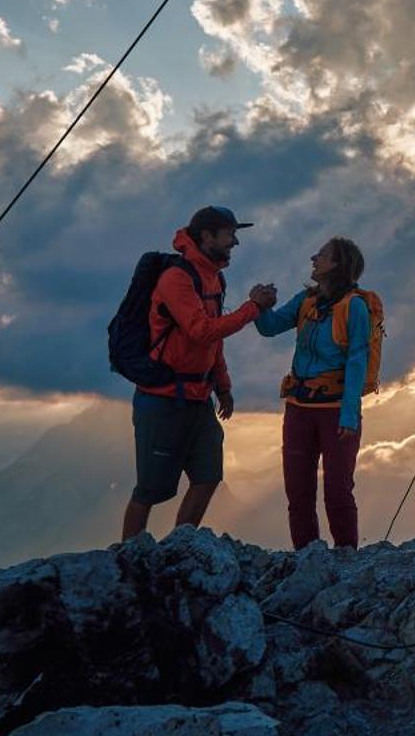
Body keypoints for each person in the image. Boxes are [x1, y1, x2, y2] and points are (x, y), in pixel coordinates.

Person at [121, 206, 278, 541]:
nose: (235, 242)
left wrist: (223, 387)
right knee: (149, 489)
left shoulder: (213, 277)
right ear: (207, 236)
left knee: (207, 476)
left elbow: (213, 339)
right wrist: (253, 308)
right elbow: (201, 331)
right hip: (162, 399)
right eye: (229, 235)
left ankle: (181, 547)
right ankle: (127, 559)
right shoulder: (177, 278)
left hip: (198, 398)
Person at [255, 236, 370, 549]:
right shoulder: (305, 301)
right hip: (299, 407)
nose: (313, 258)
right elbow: (269, 327)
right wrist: (260, 307)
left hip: (335, 410)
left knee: (337, 490)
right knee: (298, 492)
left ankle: (346, 558)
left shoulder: (355, 307)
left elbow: (358, 361)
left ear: (337, 265)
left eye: (321, 255)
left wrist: (349, 415)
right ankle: (308, 559)